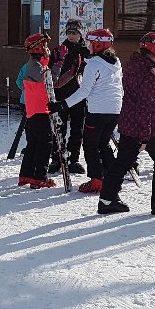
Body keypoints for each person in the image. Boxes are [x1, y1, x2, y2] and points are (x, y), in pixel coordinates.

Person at [98, 32, 155, 215]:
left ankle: (107, 200)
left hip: (128, 122)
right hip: (148, 127)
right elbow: (146, 106)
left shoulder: (132, 64)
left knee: (122, 161)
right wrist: (144, 137)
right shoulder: (151, 75)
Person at [49, 28, 122, 193]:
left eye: (91, 43)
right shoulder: (116, 62)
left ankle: (97, 181)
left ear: (97, 45)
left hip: (97, 111)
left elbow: (84, 91)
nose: (88, 46)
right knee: (104, 144)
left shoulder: (93, 64)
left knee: (90, 145)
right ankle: (113, 178)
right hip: (114, 110)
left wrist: (62, 105)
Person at [47, 19, 89, 175]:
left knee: (77, 129)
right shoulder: (58, 50)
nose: (71, 36)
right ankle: (57, 159)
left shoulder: (86, 52)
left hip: (79, 95)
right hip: (61, 95)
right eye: (69, 32)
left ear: (80, 34)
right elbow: (50, 71)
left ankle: (74, 159)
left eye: (75, 33)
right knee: (59, 128)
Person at [18, 33, 56, 189]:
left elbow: (44, 68)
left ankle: (26, 175)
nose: (47, 48)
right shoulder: (35, 67)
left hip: (34, 110)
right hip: (40, 111)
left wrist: (48, 59)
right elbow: (52, 80)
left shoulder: (34, 64)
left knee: (33, 143)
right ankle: (39, 177)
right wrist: (59, 64)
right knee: (45, 144)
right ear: (38, 48)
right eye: (45, 45)